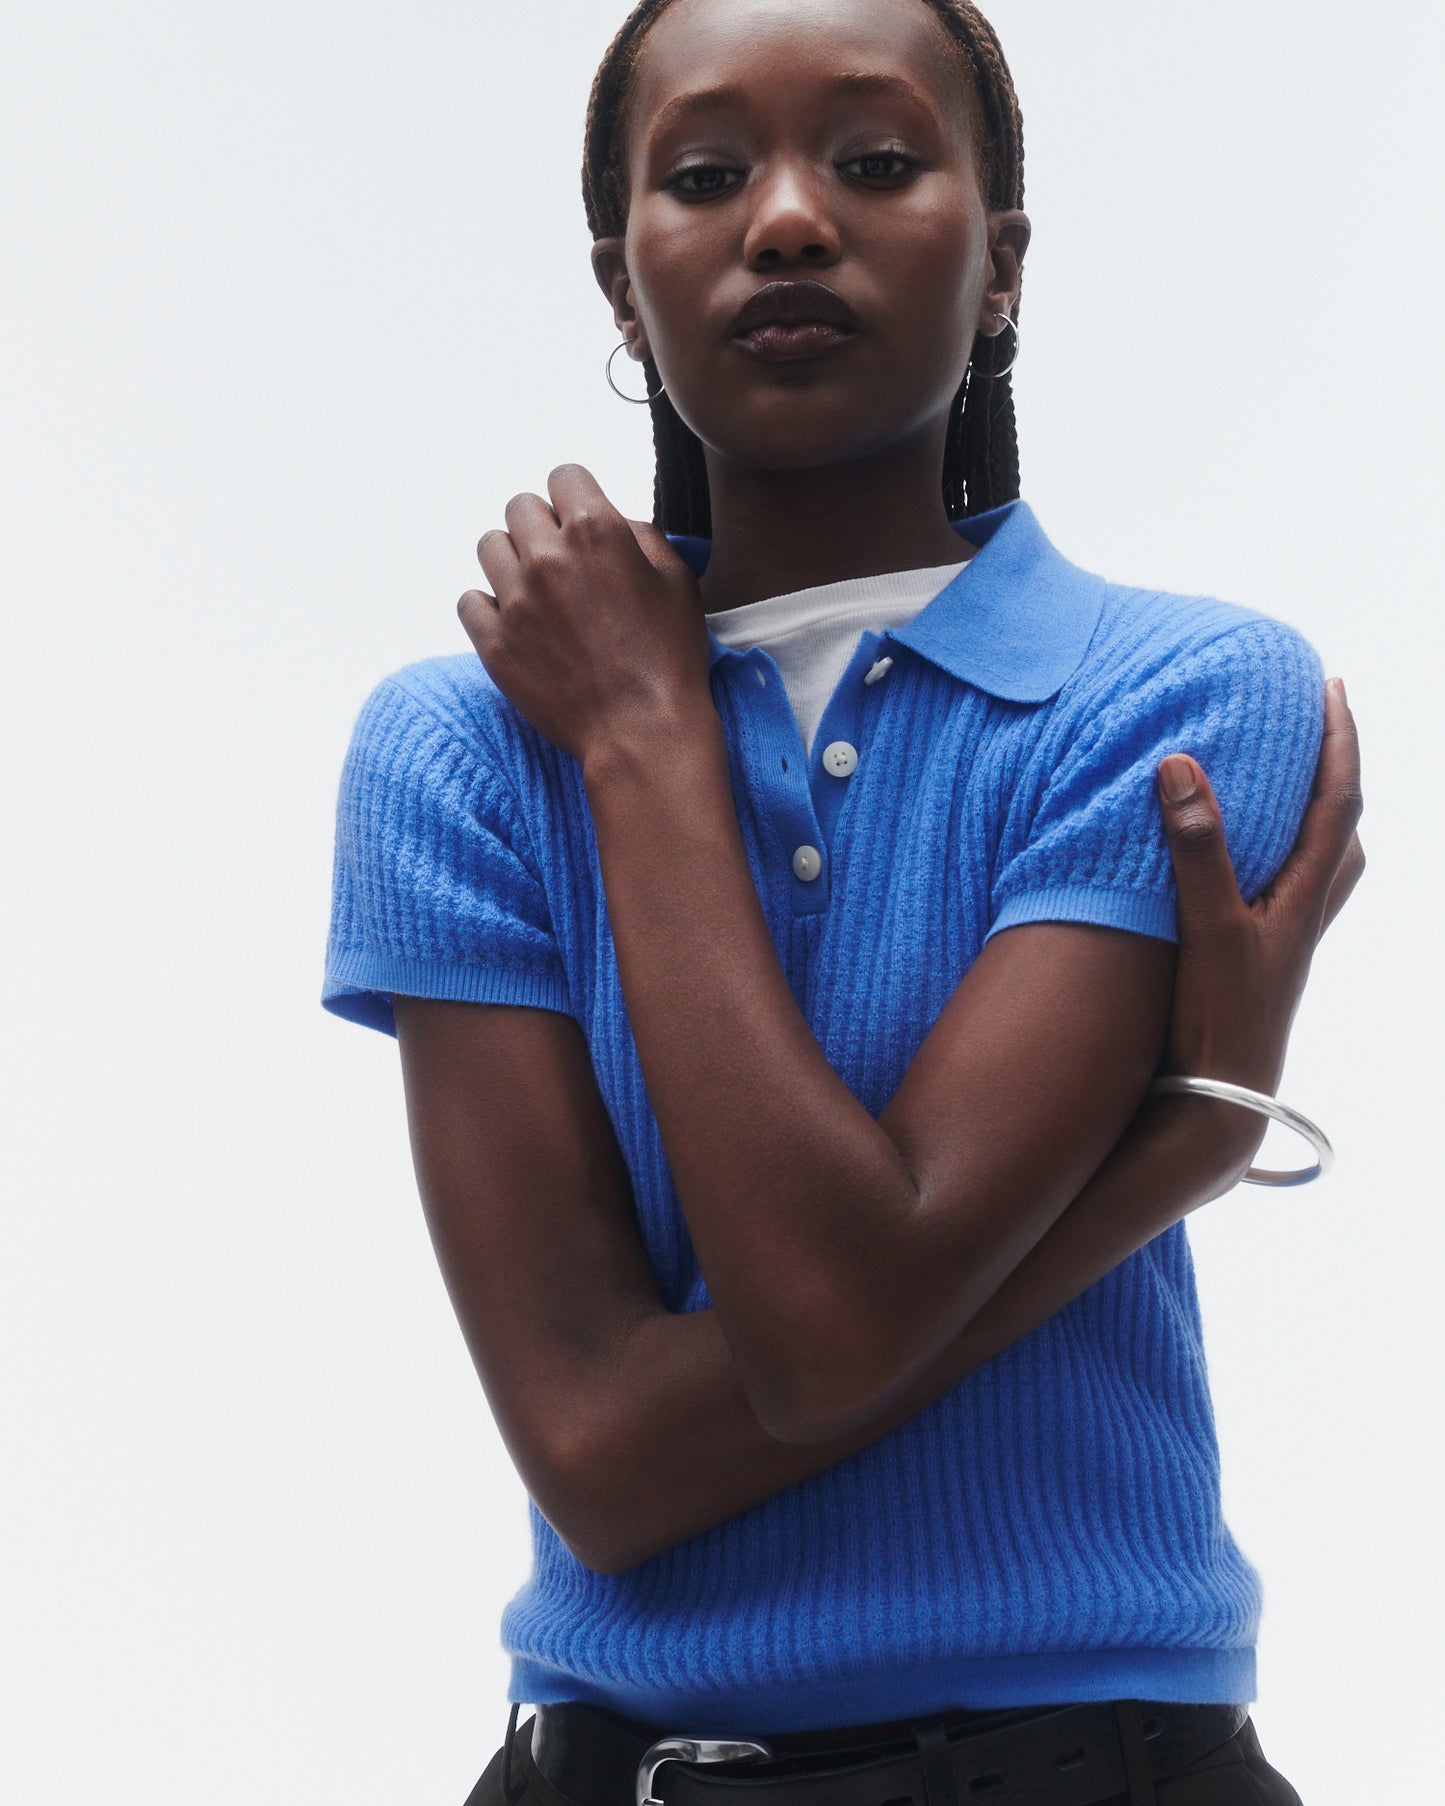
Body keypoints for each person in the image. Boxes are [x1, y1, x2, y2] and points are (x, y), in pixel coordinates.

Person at [321, 2, 1366, 1801]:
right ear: (620, 282)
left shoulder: (1181, 700)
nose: (790, 219)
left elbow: (833, 1323)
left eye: (875, 161)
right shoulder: (467, 751)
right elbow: (603, 1457)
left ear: (1000, 262)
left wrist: (640, 743)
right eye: (704, 176)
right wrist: (1171, 1153)